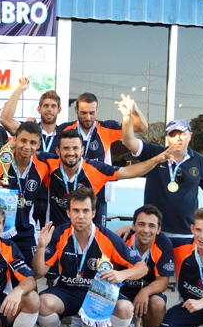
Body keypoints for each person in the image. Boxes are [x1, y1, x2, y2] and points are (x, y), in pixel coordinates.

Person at [32, 188, 148, 327]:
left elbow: (142, 267)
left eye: (85, 211)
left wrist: (122, 274)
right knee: (42, 303)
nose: (81, 216)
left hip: (98, 294)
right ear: (68, 213)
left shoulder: (107, 237)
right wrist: (40, 247)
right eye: (76, 210)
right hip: (67, 291)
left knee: (126, 309)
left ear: (93, 213)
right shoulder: (59, 234)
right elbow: (39, 272)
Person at [117, 96, 203, 237]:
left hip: (186, 232)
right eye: (173, 134)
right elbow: (128, 141)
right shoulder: (154, 153)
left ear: (190, 135)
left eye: (182, 134)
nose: (178, 138)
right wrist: (128, 115)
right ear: (167, 138)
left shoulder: (200, 161)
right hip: (154, 231)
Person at [45, 129, 173, 228]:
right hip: (57, 233)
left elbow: (128, 172)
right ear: (57, 151)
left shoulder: (95, 168)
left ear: (82, 150)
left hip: (85, 233)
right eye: (66, 148)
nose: (71, 152)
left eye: (75, 148)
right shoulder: (48, 164)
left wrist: (157, 159)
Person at [56, 92, 149, 227]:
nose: (88, 117)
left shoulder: (107, 128)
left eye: (92, 113)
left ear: (97, 110)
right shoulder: (65, 129)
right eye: (83, 113)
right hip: (70, 195)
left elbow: (142, 127)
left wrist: (133, 110)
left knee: (98, 237)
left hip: (99, 195)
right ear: (76, 110)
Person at [0, 122, 50, 267]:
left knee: (28, 276)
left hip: (26, 232)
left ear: (39, 144)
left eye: (33, 143)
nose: (27, 147)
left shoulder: (43, 165)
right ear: (14, 139)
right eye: (23, 140)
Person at [114, 204, 174, 327]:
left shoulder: (164, 244)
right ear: (133, 226)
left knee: (158, 303)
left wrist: (145, 292)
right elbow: (109, 274)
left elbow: (163, 282)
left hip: (147, 293)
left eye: (151, 225)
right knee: (112, 302)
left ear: (159, 229)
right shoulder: (120, 240)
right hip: (121, 292)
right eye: (141, 224)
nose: (146, 230)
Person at [0, 78, 61, 227]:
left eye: (53, 106)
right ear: (39, 109)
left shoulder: (64, 135)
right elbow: (5, 119)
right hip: (26, 195)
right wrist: (19, 89)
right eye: (45, 105)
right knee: (25, 236)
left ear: (59, 110)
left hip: (52, 197)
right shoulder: (28, 131)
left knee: (51, 241)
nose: (49, 109)